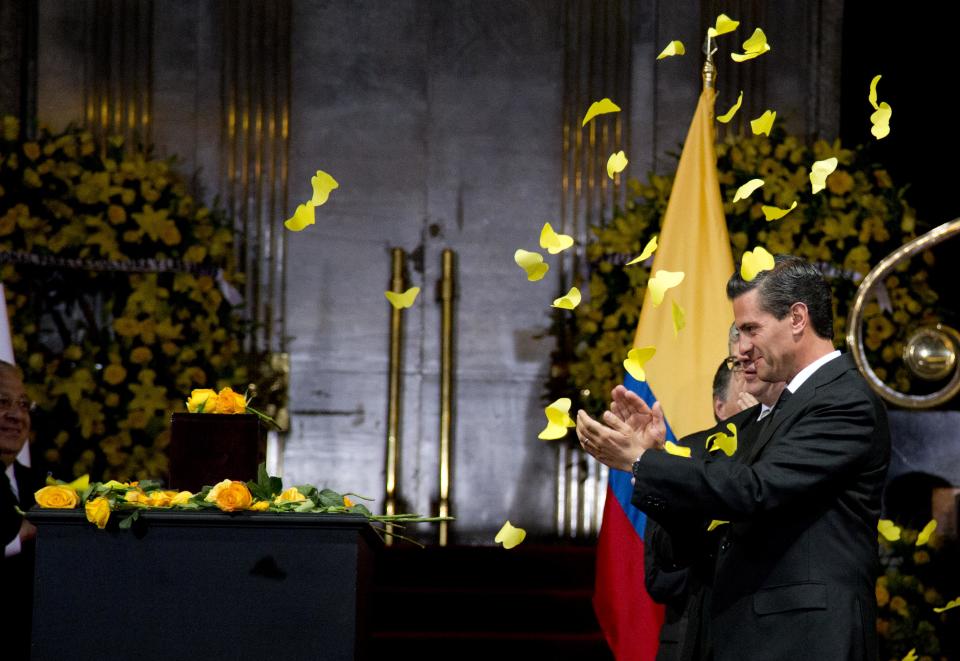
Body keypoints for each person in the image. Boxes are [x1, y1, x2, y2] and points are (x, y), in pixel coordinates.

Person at [578, 255, 890, 660]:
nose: (741, 348)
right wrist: (656, 457)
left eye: (750, 329)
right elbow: (711, 537)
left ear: (798, 318)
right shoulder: (775, 414)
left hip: (807, 642)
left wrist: (643, 462)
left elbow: (757, 491)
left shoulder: (844, 401)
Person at [1, 360, 39, 660]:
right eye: (3, 402)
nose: (15, 415)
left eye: (24, 404)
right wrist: (19, 538)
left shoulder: (43, 485)